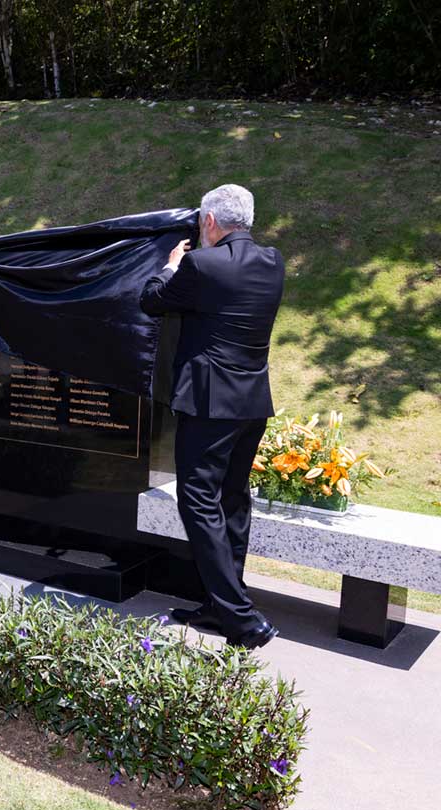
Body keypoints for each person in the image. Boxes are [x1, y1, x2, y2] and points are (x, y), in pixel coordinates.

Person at [140, 184, 284, 649]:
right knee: (233, 501)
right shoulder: (274, 261)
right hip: (252, 404)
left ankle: (241, 618)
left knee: (198, 501)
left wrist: (169, 266)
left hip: (209, 405)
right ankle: (221, 608)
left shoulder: (201, 265)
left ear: (209, 221)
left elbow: (153, 300)